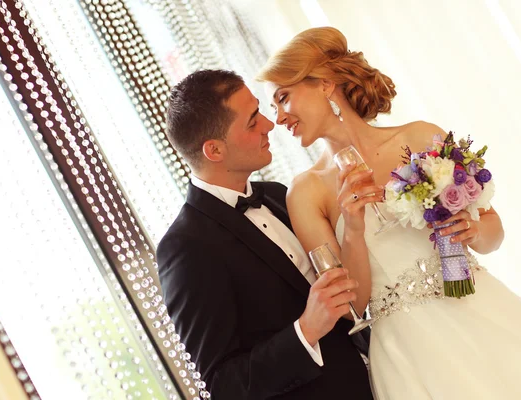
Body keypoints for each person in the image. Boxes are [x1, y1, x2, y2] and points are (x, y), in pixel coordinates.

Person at [257, 26, 521, 399]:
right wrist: (352, 227)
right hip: (410, 351)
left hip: (481, 309)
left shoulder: (420, 137)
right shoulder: (306, 193)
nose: (279, 117)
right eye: (274, 106)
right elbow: (351, 305)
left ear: (324, 85)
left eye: (283, 98)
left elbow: (493, 233)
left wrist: (473, 229)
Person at [156, 69, 373, 399]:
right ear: (214, 150)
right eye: (252, 120)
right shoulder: (186, 247)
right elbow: (223, 386)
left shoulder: (276, 194)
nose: (270, 125)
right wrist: (306, 330)